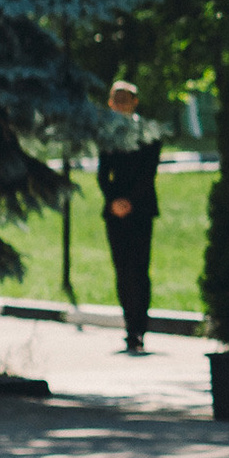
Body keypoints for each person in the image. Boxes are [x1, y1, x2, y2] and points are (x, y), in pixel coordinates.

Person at [98, 82, 163, 355]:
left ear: (135, 102)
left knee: (139, 267)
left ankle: (140, 327)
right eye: (116, 100)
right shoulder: (108, 134)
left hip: (141, 209)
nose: (121, 104)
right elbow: (103, 173)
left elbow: (148, 174)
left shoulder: (149, 133)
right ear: (110, 103)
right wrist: (114, 201)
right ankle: (129, 326)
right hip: (115, 211)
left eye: (126, 99)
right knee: (122, 268)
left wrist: (130, 202)